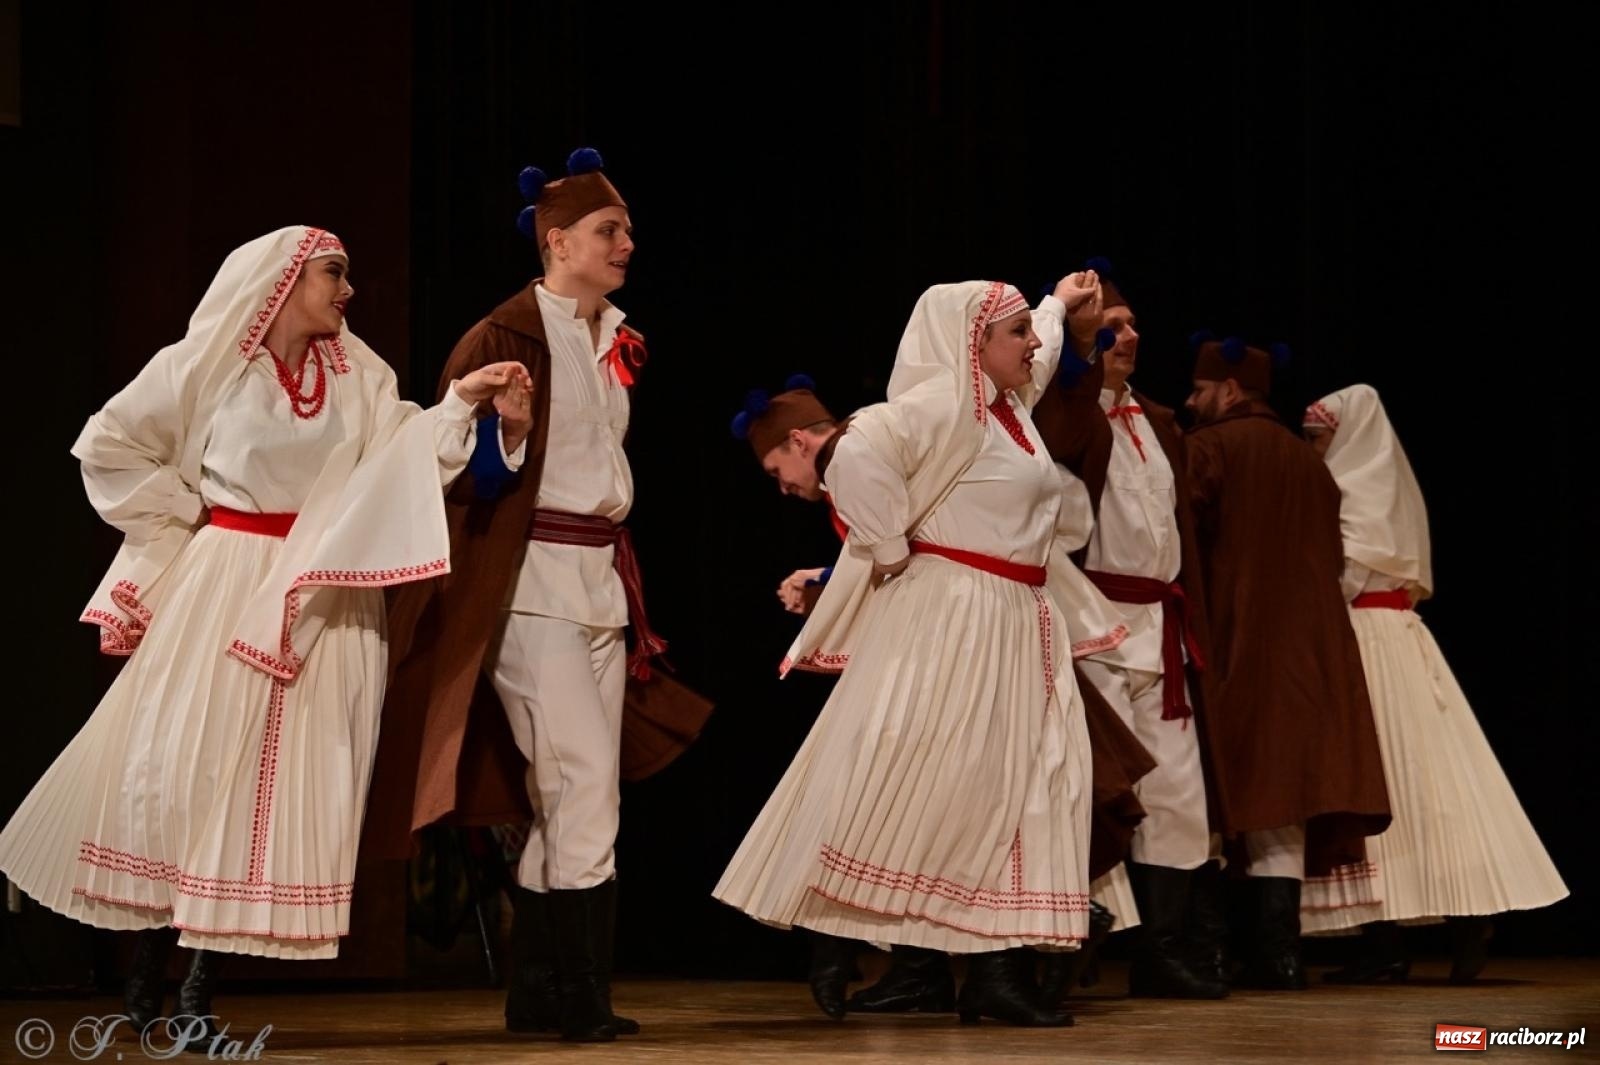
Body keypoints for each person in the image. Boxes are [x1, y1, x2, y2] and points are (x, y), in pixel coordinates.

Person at [0, 226, 530, 1047]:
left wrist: (461, 402)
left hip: (323, 591)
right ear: (282, 280)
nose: (348, 289)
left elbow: (406, 458)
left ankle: (193, 997)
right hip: (227, 579)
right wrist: (182, 521)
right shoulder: (208, 366)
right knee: (193, 772)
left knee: (273, 789)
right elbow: (108, 442)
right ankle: (149, 980)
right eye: (333, 272)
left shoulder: (363, 375)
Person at [363, 149, 710, 1044]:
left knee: (573, 794)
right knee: (583, 781)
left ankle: (544, 992)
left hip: (597, 585)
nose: (627, 242)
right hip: (530, 587)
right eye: (609, 230)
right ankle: (579, 992)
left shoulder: (613, 337)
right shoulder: (503, 339)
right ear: (558, 242)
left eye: (626, 228)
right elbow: (450, 476)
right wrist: (506, 441)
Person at [715, 279, 1102, 1027]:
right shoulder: (920, 415)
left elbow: (1045, 351)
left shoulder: (1011, 407)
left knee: (1027, 782)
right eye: (1015, 332)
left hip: (1020, 619)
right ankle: (839, 932)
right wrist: (888, 546)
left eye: (1027, 333)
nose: (1029, 344)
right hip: (954, 619)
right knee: (935, 781)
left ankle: (993, 970)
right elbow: (857, 463)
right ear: (971, 343)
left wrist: (1055, 304)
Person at [1299, 384, 1567, 982]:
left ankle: (1402, 935)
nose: (1313, 449)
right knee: (1420, 783)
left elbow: (1343, 577)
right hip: (1402, 636)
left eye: (1319, 439)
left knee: (1389, 779)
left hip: (1368, 638)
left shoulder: (1354, 491)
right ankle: (1409, 932)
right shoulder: (1390, 486)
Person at [1032, 261, 1226, 998]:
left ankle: (1166, 948)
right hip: (1094, 622)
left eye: (1136, 322)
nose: (1129, 334)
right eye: (1112, 323)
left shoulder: (1162, 421)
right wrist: (1080, 363)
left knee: (1178, 795)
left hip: (1161, 626)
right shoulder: (1065, 412)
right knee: (1095, 788)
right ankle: (1072, 942)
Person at [1180, 336, 1391, 989]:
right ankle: (1279, 954)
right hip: (1312, 649)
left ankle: (1212, 951)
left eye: (1199, 389)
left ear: (1232, 390)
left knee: (1219, 790)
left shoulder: (1210, 447)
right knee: (1283, 801)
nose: (1191, 402)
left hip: (1242, 639)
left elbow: (1180, 543)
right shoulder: (1310, 462)